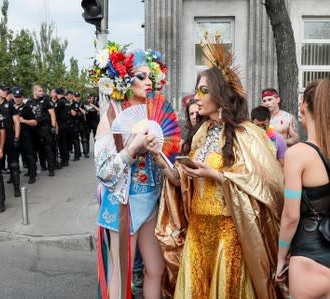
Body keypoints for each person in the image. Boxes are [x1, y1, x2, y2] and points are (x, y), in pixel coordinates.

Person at [154, 37, 285, 298]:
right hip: (198, 234)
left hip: (230, 237)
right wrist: (163, 162)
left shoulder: (247, 134)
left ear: (221, 94)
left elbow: (268, 184)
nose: (196, 97)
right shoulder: (201, 132)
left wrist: (215, 174)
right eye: (196, 90)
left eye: (203, 90)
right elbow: (185, 181)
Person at [94, 45, 174, 299]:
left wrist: (157, 154)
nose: (148, 81)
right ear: (125, 80)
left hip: (151, 201)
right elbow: (104, 171)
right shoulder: (111, 117)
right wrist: (131, 150)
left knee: (156, 268)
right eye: (141, 76)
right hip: (122, 204)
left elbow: (165, 161)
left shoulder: (157, 115)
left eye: (150, 76)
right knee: (121, 271)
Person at [275, 79, 330, 298]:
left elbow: (290, 216)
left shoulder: (298, 154)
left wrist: (280, 258)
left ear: (303, 107)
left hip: (308, 260)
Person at [26, 84, 57, 176]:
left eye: (42, 91)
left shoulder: (46, 101)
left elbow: (52, 114)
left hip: (45, 127)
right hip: (33, 129)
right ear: (34, 91)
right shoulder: (29, 102)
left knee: (48, 148)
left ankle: (51, 169)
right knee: (37, 150)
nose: (41, 92)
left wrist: (53, 126)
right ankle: (42, 166)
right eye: (39, 91)